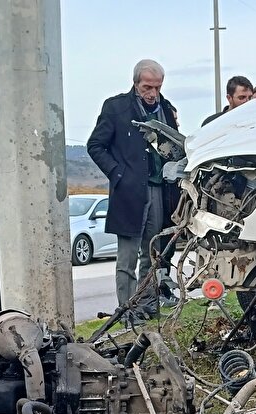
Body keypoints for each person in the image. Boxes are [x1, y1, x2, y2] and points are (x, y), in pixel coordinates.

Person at [87, 59, 180, 320]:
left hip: (159, 190)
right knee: (127, 258)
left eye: (157, 87)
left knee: (152, 254)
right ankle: (127, 311)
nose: (152, 93)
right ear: (135, 83)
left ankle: (148, 304)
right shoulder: (116, 107)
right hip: (128, 193)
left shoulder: (167, 109)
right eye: (147, 87)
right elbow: (95, 145)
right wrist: (118, 175)